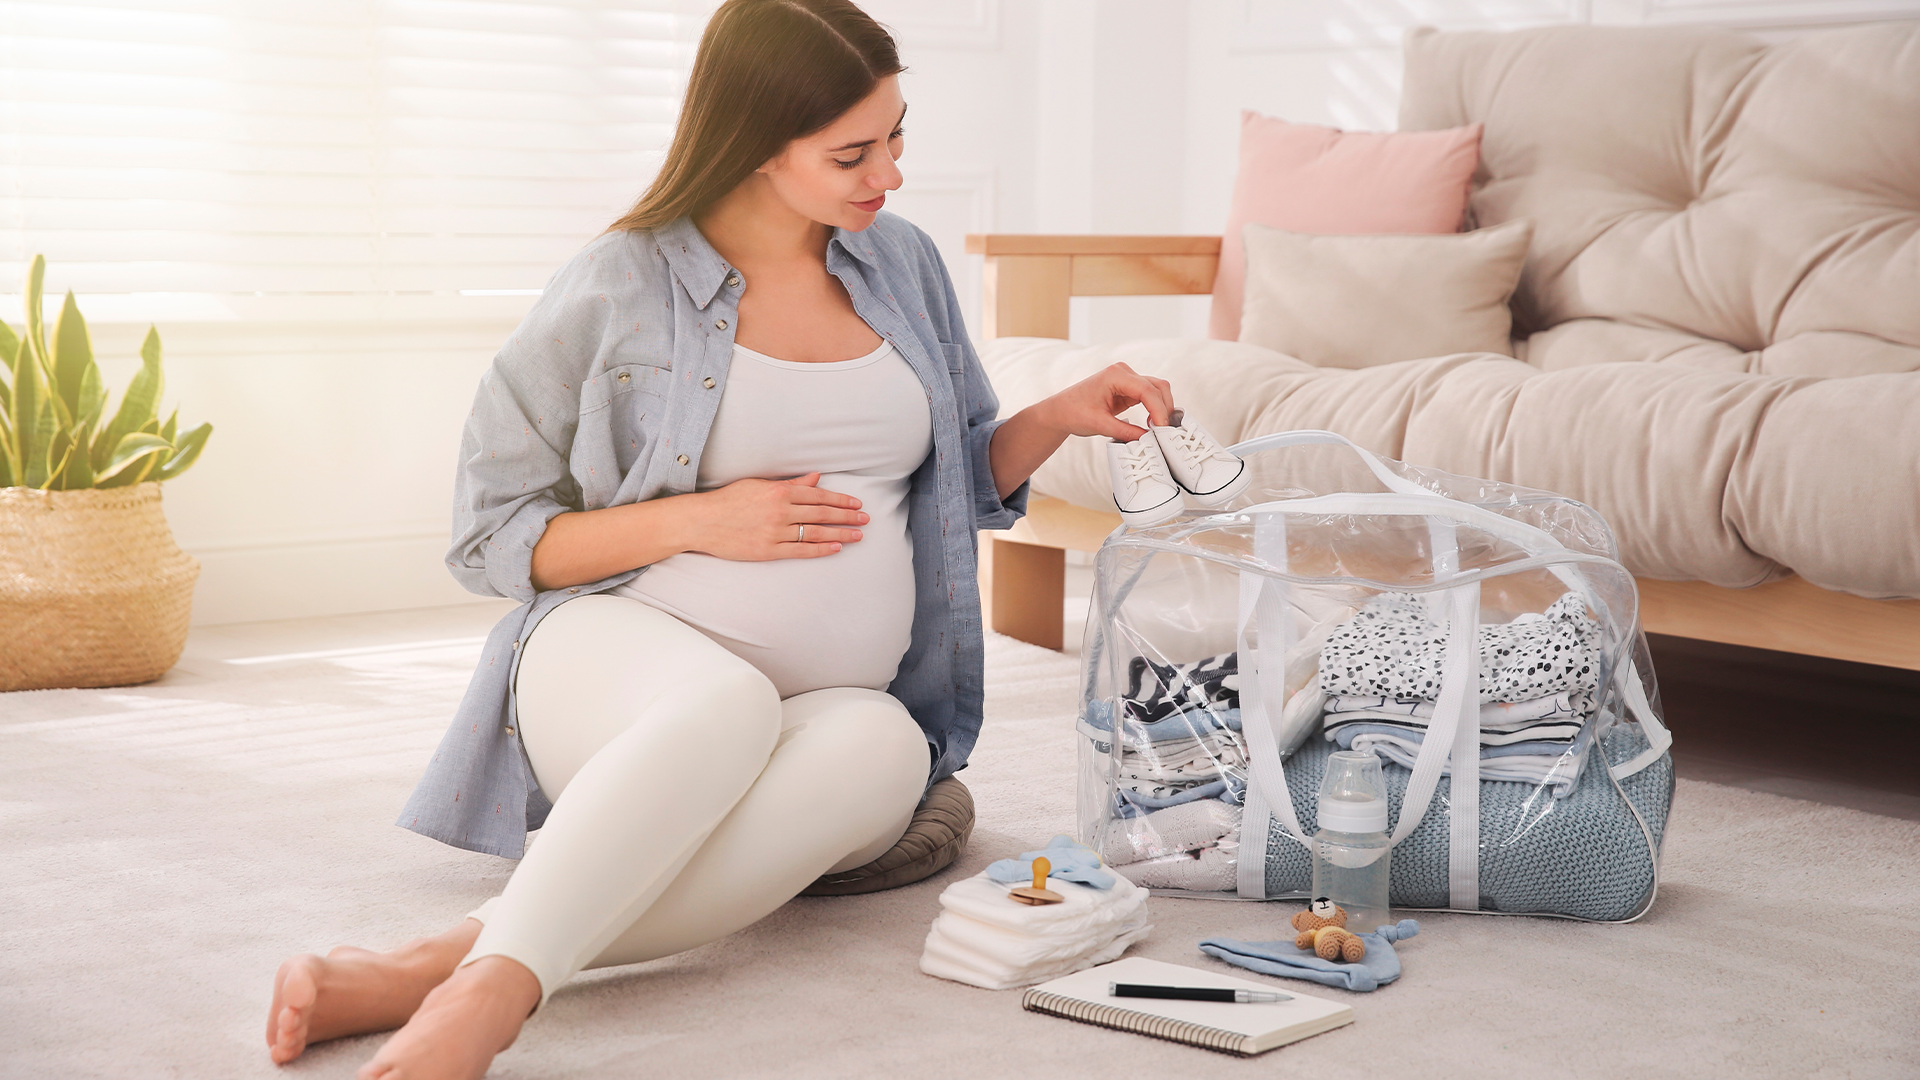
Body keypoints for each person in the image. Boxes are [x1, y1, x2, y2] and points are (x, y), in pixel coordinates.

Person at [264, 2, 1176, 1077]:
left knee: (891, 747)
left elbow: (953, 482)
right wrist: (706, 518)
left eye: (897, 139)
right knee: (727, 703)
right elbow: (490, 537)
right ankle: (486, 1010)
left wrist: (1056, 414)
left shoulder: (905, 266)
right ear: (752, 143)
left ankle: (424, 969)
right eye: (852, 153)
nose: (887, 175)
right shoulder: (621, 282)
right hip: (617, 667)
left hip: (832, 709)